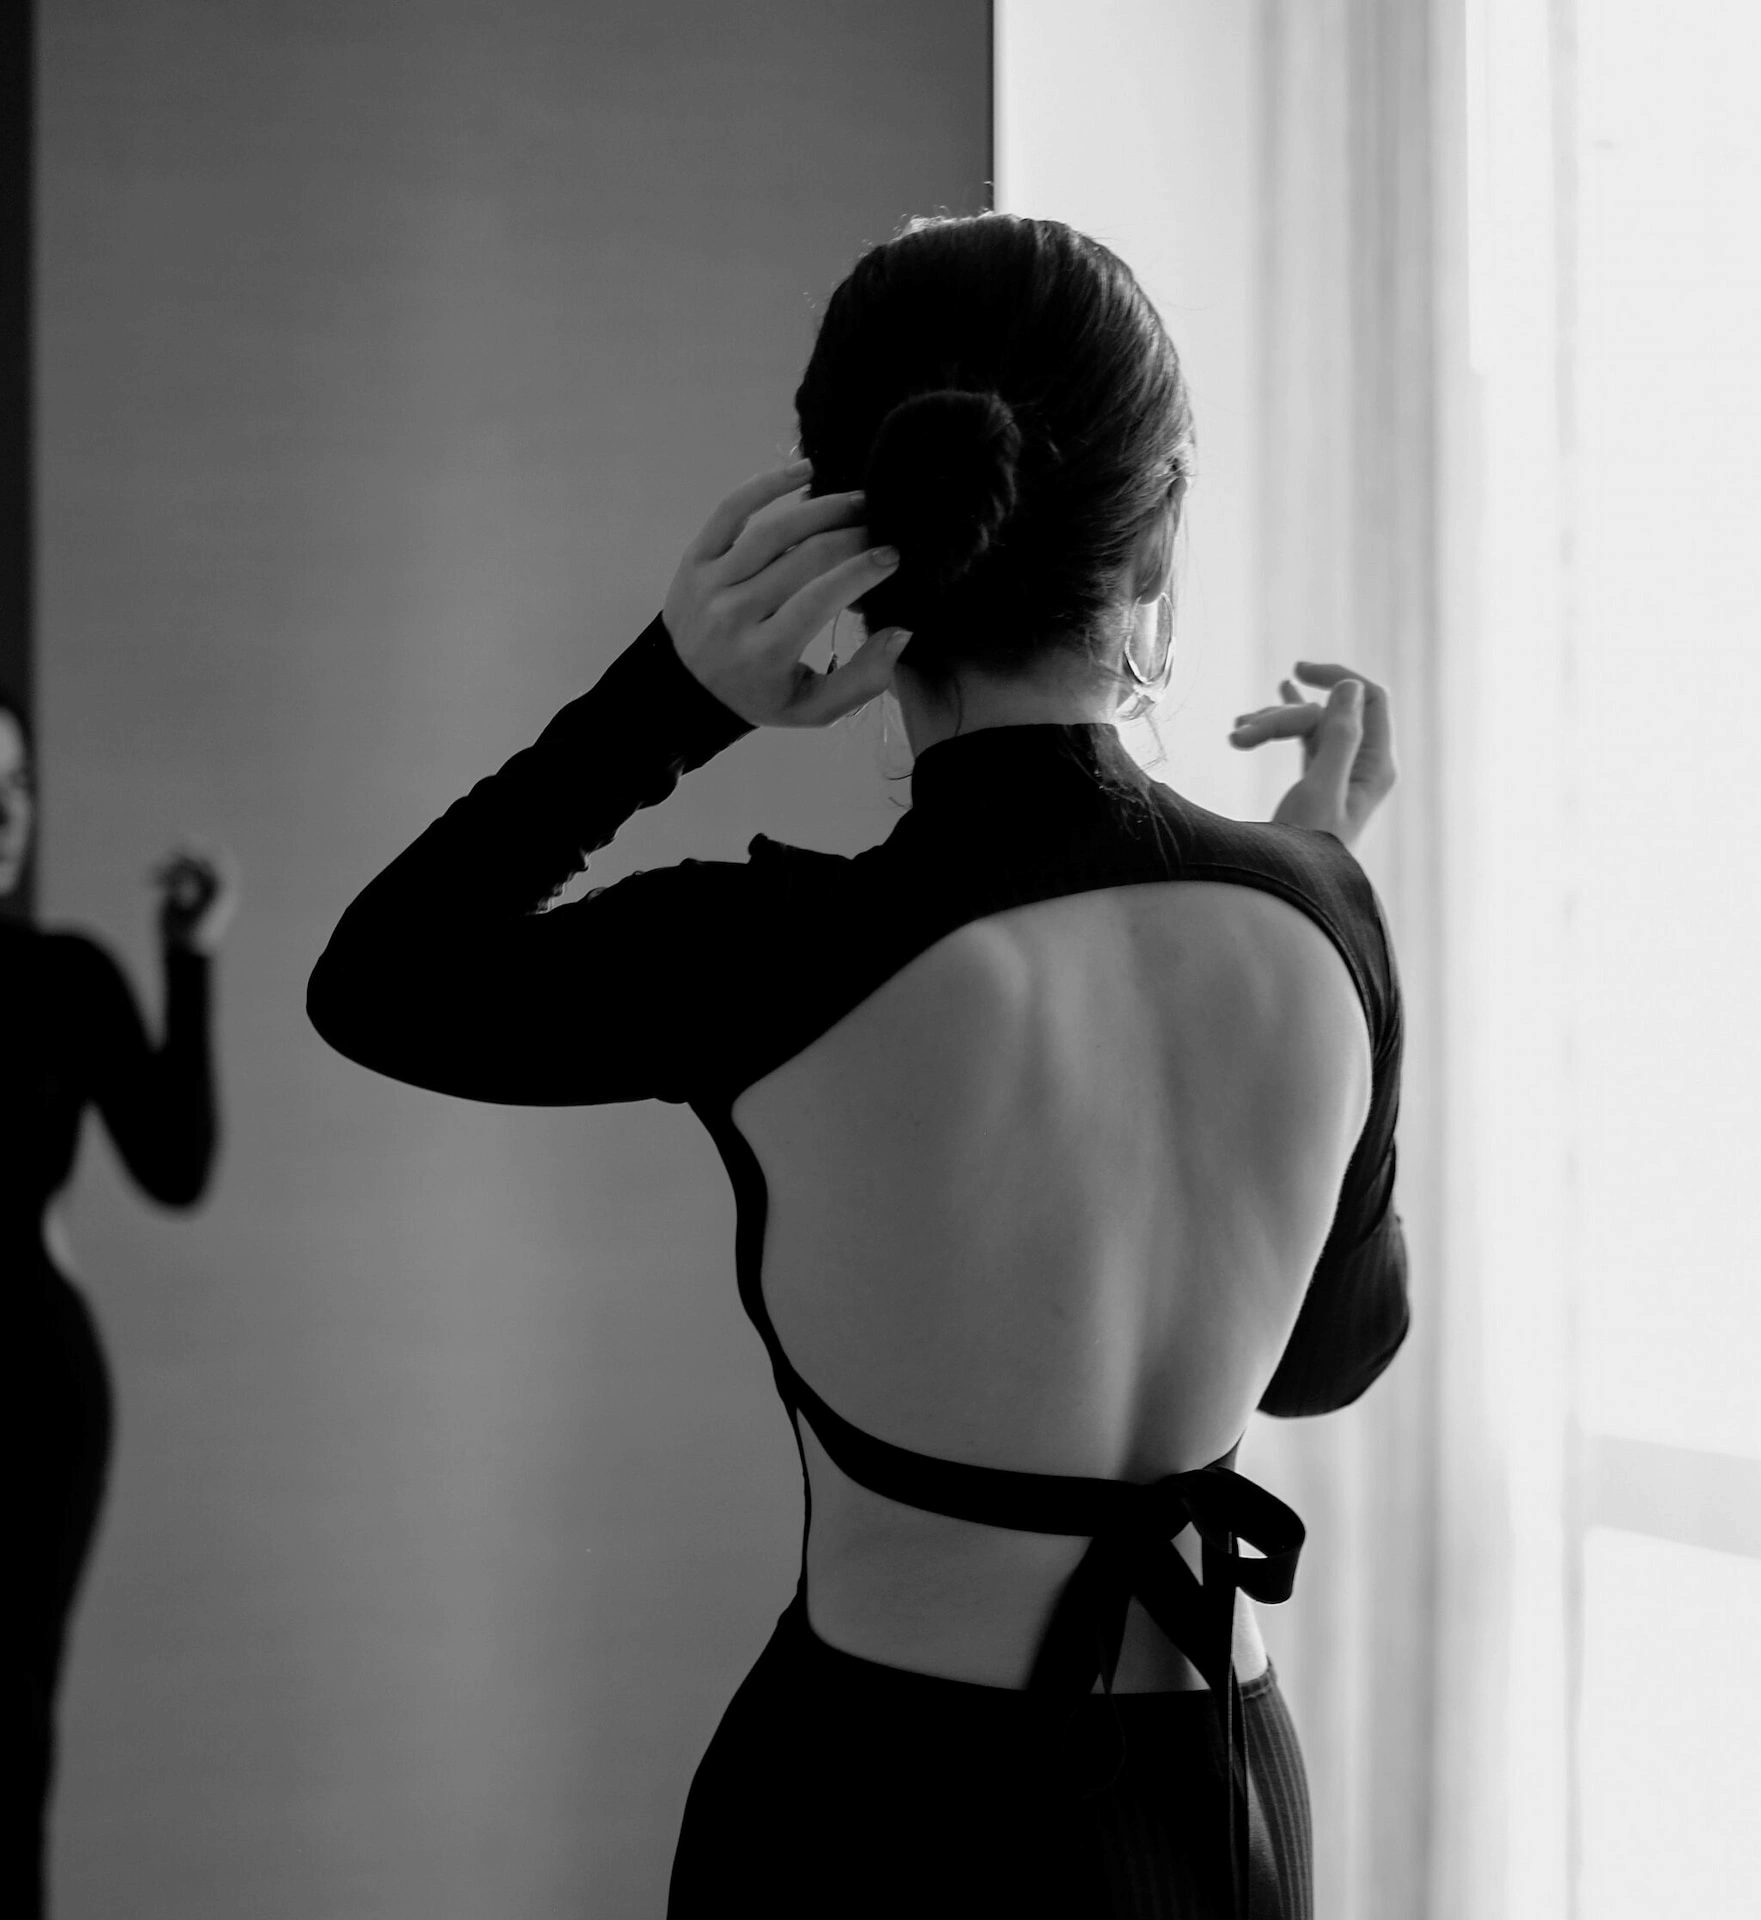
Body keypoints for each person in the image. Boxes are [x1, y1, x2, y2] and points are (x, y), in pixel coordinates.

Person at [307, 212, 1406, 1919]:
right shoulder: (1324, 918)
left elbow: (383, 983)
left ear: (859, 537)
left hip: (877, 1806)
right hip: (1218, 1810)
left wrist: (671, 698)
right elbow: (1325, 1363)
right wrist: (1317, 863)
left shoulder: (771, 960)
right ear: (1158, 533)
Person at [2, 694, 236, 1918]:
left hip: (29, 1401)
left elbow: (175, 1165)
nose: (6, 816)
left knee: (6, 1735)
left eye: (18, 787)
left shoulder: (61, 976)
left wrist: (187, 959)